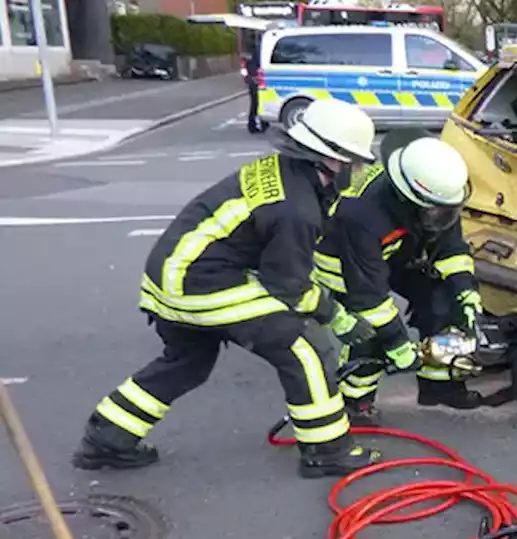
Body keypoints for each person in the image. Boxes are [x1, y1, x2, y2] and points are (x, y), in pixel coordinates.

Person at [71, 98, 384, 479]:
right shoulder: (296, 208)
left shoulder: (285, 172)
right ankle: (327, 451)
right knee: (303, 347)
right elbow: (289, 287)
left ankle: (106, 439)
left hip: (170, 273)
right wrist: (337, 317)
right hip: (200, 283)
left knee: (188, 363)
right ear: (329, 159)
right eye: (351, 161)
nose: (354, 169)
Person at [313, 135, 495, 426]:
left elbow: (451, 249)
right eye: (435, 211)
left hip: (396, 247)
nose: (442, 216)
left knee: (442, 301)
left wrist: (465, 292)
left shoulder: (438, 195)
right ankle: (355, 404)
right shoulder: (361, 214)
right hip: (343, 260)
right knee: (369, 334)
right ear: (409, 198)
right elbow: (369, 297)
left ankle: (439, 385)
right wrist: (397, 344)